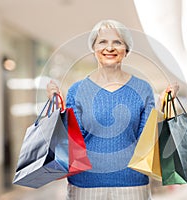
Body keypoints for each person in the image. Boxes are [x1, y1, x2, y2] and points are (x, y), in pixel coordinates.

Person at [47, 19, 179, 200]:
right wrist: (55, 106)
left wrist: (165, 104)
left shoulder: (142, 89)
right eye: (102, 42)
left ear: (126, 50)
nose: (110, 48)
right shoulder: (77, 91)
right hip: (85, 186)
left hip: (132, 185)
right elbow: (71, 142)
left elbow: (148, 141)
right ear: (93, 49)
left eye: (117, 42)